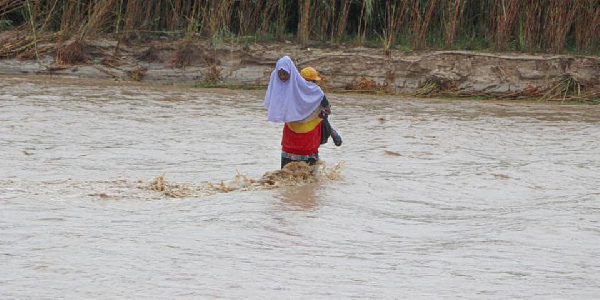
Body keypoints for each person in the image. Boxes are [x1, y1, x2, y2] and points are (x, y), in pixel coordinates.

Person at [263, 56, 341, 169]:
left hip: (295, 137)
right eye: (280, 74)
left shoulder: (295, 89)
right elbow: (327, 109)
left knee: (287, 172)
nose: (282, 77)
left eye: (285, 74)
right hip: (301, 137)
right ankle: (333, 133)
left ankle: (332, 133)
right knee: (308, 175)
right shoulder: (310, 91)